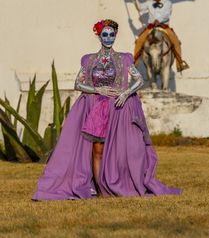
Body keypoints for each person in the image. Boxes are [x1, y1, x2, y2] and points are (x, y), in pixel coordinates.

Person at [32, 19, 181, 200]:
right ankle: (101, 191)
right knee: (97, 150)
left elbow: (139, 80)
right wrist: (97, 90)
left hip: (118, 109)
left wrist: (126, 93)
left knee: (121, 150)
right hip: (96, 108)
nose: (108, 38)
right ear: (99, 36)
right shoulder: (89, 60)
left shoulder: (124, 58)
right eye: (105, 34)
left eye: (112, 35)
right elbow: (77, 83)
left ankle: (118, 182)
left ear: (115, 36)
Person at [132, 0, 189, 72]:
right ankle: (134, 63)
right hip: (151, 27)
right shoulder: (149, 3)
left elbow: (167, 14)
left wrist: (159, 20)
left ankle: (180, 63)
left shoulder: (168, 3)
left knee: (176, 42)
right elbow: (140, 8)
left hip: (164, 27)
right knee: (139, 41)